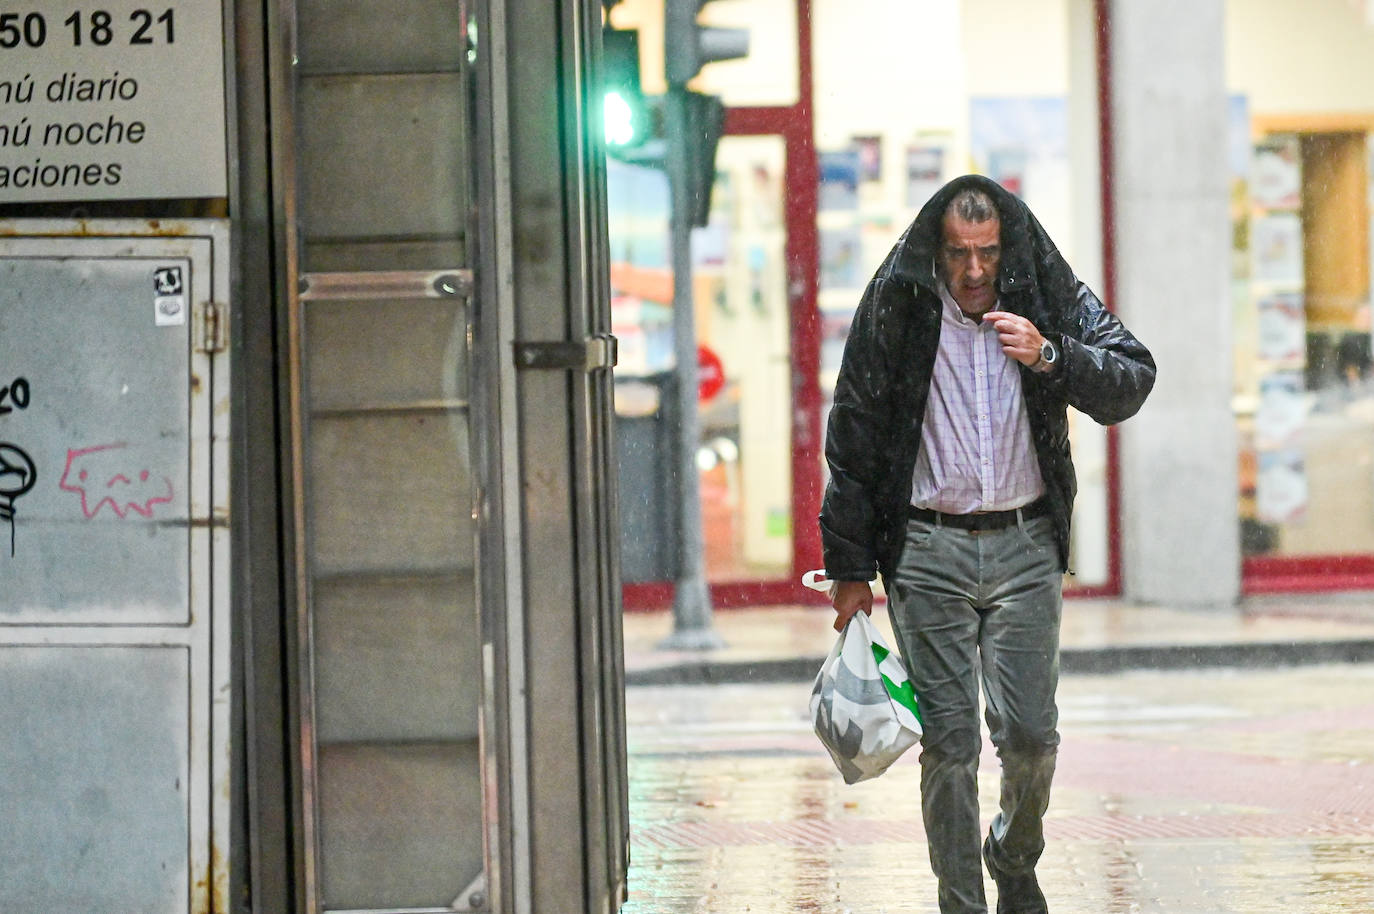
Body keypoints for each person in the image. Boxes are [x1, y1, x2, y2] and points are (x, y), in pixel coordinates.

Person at [818, 174, 1155, 914]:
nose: (974, 270)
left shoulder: (1042, 293)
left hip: (1025, 547)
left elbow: (1133, 377)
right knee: (950, 745)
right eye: (958, 253)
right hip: (926, 551)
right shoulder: (898, 302)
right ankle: (962, 903)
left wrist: (1050, 356)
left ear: (1008, 249)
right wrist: (849, 568)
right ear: (935, 251)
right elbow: (853, 433)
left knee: (1031, 737)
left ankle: (1012, 854)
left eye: (988, 253)